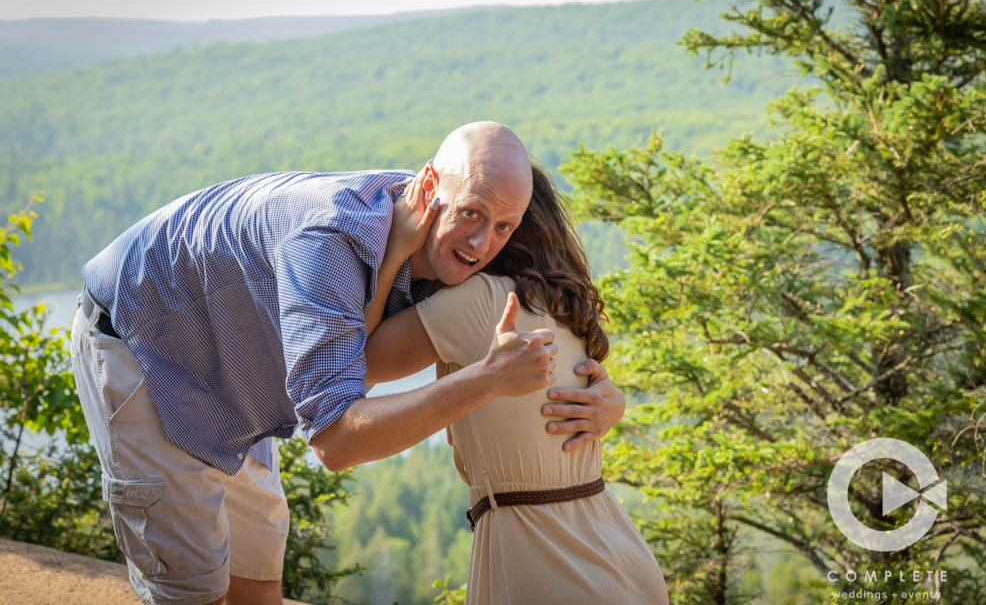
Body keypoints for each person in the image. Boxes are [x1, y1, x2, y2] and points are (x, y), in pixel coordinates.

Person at [70, 121, 626, 605]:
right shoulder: (328, 244)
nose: (483, 244)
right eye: (471, 214)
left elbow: (355, 355)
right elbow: (336, 441)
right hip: (147, 343)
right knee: (192, 588)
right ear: (431, 185)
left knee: (256, 573)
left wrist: (607, 395)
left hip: (231, 383)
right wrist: (487, 380)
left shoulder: (435, 228)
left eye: (503, 226)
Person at [364, 164, 669, 604]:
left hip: (542, 560)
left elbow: (355, 362)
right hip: (621, 552)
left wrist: (394, 252)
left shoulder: (478, 303)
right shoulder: (567, 307)